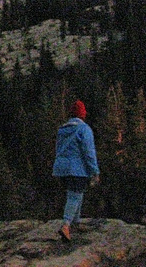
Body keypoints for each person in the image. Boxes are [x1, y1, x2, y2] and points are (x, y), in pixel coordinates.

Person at [52, 99, 100, 241]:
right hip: (77, 168)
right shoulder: (84, 129)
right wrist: (95, 171)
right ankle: (66, 225)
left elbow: (58, 149)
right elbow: (89, 152)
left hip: (61, 168)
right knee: (75, 195)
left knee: (76, 193)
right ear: (83, 115)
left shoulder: (62, 129)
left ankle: (76, 222)